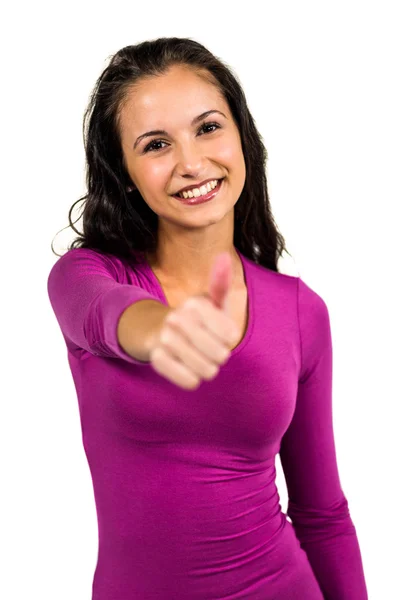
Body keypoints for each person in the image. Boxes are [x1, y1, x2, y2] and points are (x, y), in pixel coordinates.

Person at [47, 37, 368, 599]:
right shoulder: (88, 275)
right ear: (123, 172)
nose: (192, 162)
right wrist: (156, 329)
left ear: (242, 135)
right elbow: (99, 313)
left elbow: (322, 514)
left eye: (209, 127)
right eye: (156, 144)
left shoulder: (299, 312)